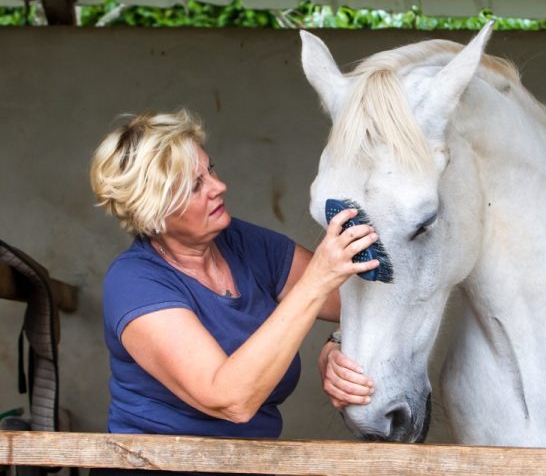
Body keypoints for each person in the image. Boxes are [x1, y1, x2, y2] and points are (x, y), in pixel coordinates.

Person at [89, 109, 373, 474]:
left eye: (211, 170)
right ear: (153, 212)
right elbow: (230, 400)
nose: (218, 186)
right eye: (195, 186)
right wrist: (316, 283)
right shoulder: (134, 282)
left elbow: (355, 300)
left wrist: (337, 343)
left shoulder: (242, 242)